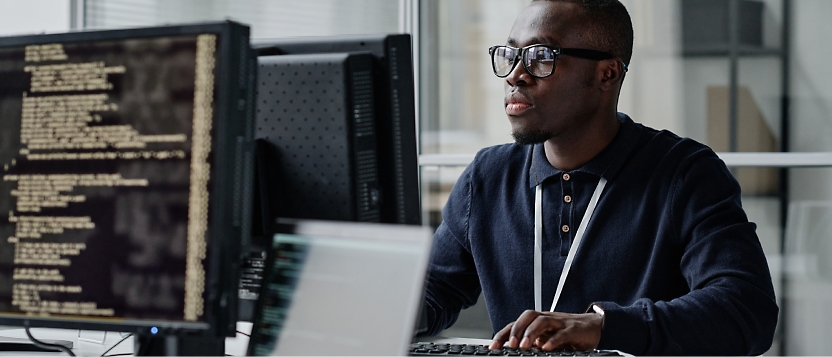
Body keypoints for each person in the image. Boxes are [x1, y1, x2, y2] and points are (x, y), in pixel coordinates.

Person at [421, 0, 779, 355]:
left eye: (541, 57)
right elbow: (432, 293)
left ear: (606, 74)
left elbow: (746, 309)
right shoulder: (487, 177)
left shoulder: (684, 173)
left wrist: (604, 327)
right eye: (510, 55)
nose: (516, 74)